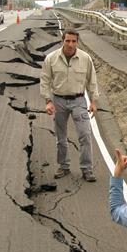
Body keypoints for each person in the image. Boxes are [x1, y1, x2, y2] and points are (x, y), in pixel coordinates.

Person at [40, 29, 99, 182]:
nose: (70, 44)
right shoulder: (51, 58)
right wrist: (48, 101)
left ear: (77, 42)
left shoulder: (85, 59)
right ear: (63, 40)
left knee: (85, 135)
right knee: (61, 137)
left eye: (73, 41)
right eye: (68, 41)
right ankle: (64, 166)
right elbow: (45, 81)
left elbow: (92, 81)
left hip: (79, 100)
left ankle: (87, 169)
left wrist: (93, 101)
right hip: (58, 100)